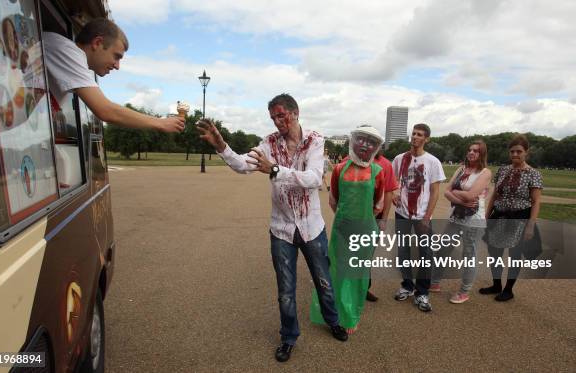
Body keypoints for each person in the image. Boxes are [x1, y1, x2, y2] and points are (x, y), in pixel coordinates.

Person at [196, 94, 348, 363]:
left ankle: (333, 320)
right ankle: (289, 337)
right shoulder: (268, 143)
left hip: (312, 227)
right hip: (281, 230)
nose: (278, 122)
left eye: (282, 116)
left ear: (295, 112)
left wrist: (276, 169)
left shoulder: (315, 140)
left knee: (323, 281)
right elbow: (244, 165)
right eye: (274, 118)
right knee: (285, 291)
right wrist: (222, 146)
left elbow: (313, 179)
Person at [42, 18, 184, 133]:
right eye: (116, 57)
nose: (117, 66)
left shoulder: (66, 53)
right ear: (97, 43)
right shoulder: (66, 51)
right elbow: (106, 111)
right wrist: (160, 123)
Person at [310, 125, 387, 334]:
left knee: (357, 274)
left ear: (375, 147)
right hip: (342, 228)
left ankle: (352, 315)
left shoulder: (378, 171)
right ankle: (334, 311)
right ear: (354, 141)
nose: (365, 145)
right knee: (338, 270)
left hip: (365, 229)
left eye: (371, 142)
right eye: (361, 140)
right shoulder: (339, 169)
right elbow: (334, 200)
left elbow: (378, 204)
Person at [480, 134, 543, 301]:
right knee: (494, 253)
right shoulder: (502, 170)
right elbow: (494, 195)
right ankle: (496, 284)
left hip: (520, 218)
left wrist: (531, 225)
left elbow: (536, 202)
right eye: (512, 151)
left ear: (526, 153)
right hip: (499, 216)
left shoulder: (533, 174)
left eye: (519, 151)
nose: (515, 154)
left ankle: (508, 289)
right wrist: (486, 216)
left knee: (515, 255)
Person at [391, 123, 445, 312]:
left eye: (419, 134)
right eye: (413, 133)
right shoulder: (400, 159)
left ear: (426, 139)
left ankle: (422, 292)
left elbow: (435, 192)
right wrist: (394, 195)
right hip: (402, 214)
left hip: (422, 215)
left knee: (426, 254)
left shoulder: (432, 162)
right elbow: (393, 181)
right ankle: (407, 285)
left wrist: (427, 217)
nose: (414, 137)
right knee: (403, 251)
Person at [430, 140, 491, 303]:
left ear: (482, 154)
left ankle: (464, 291)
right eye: (470, 150)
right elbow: (446, 192)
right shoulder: (460, 169)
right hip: (456, 216)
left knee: (468, 254)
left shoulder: (485, 173)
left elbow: (472, 195)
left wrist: (455, 193)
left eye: (476, 151)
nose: (471, 153)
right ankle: (434, 283)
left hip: (474, 220)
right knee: (443, 249)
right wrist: (460, 198)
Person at [368, 150, 399, 301]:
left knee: (367, 253)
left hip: (375, 216)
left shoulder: (385, 164)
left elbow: (388, 193)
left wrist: (384, 219)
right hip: (352, 215)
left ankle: (363, 287)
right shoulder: (348, 160)